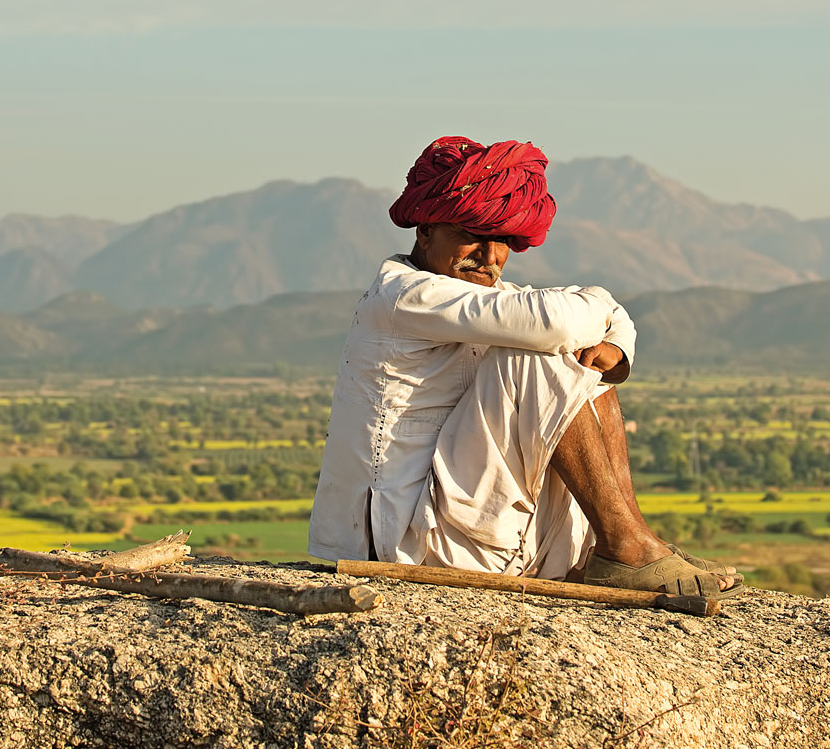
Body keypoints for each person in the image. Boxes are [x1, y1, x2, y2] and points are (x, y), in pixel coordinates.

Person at [308, 136, 741, 597]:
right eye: (471, 234)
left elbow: (606, 313)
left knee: (580, 363)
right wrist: (597, 321)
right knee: (540, 355)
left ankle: (628, 543)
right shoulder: (406, 297)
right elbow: (557, 321)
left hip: (471, 526)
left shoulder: (485, 299)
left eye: (503, 241)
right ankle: (627, 546)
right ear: (425, 232)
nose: (490, 256)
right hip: (408, 540)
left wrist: (611, 344)